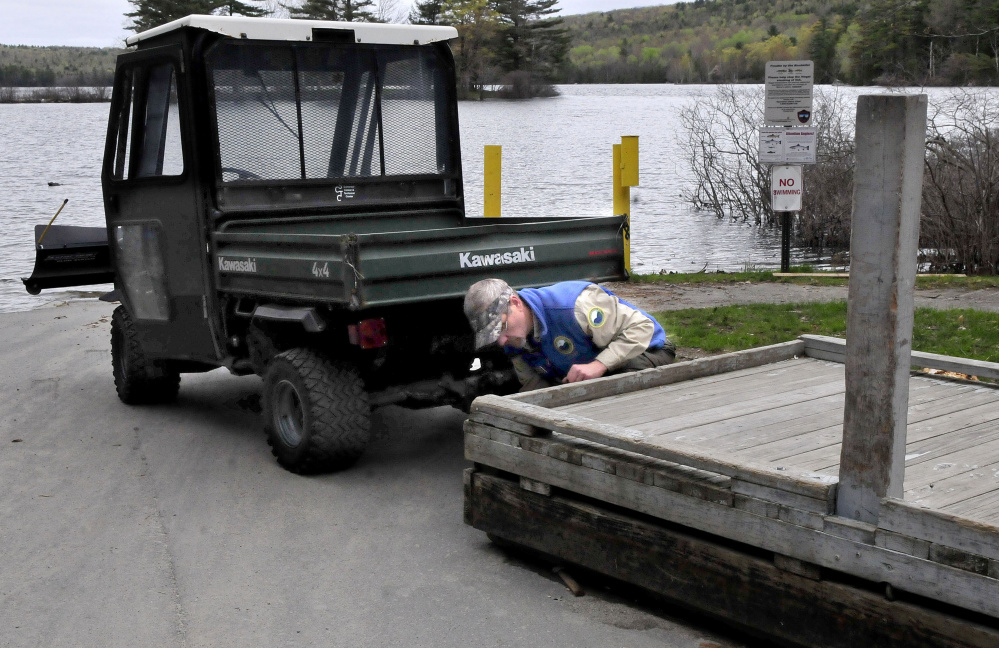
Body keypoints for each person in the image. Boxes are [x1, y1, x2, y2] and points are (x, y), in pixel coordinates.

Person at [464, 278, 676, 391]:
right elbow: (533, 384)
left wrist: (599, 365)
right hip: (588, 374)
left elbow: (643, 329)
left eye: (501, 327)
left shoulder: (574, 307)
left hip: (649, 351)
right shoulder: (514, 340)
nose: (501, 341)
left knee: (607, 388)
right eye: (493, 335)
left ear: (516, 303)